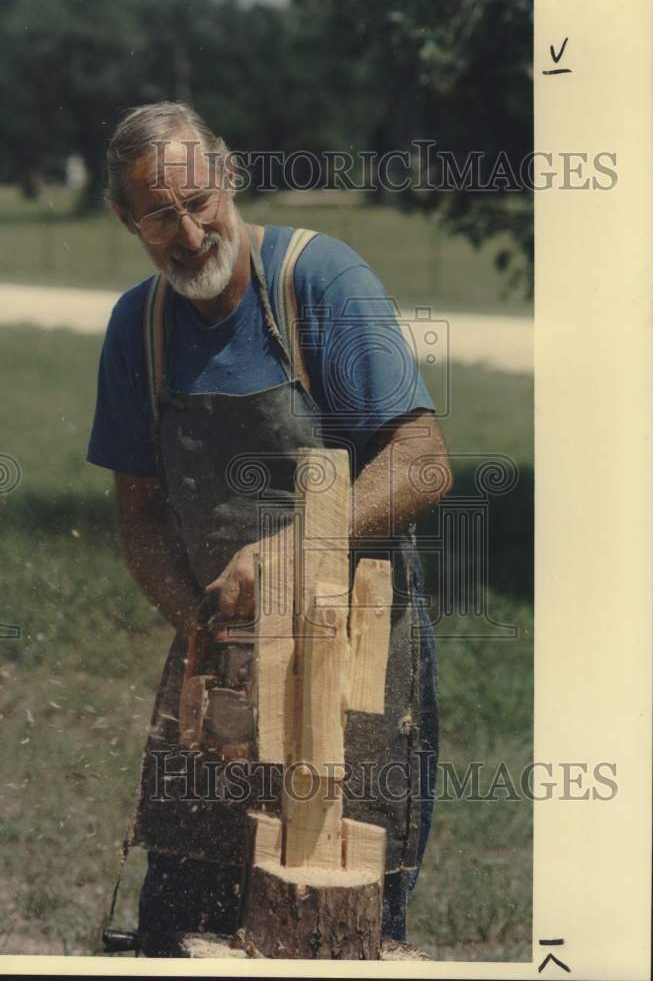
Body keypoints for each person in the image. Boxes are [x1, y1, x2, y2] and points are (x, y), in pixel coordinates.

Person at [88, 101, 452, 957]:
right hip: (220, 656)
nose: (188, 233)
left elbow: (423, 460)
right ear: (125, 219)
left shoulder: (317, 283)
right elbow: (137, 511)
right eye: (159, 215)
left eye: (199, 201)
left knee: (337, 922)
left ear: (228, 178)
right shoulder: (136, 328)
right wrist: (193, 623)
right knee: (182, 919)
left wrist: (288, 555)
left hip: (351, 657)